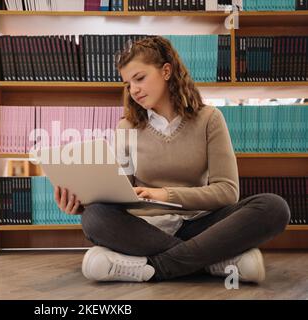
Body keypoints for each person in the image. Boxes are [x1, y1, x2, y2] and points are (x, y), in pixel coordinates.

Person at [53, 36, 290, 284]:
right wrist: (84, 204)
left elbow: (228, 191)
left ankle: (154, 266)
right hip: (146, 228)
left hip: (200, 222)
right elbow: (122, 193)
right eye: (127, 84)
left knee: (273, 207)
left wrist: (164, 194)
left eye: (140, 78)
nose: (133, 90)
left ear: (166, 71)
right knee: (94, 218)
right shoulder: (126, 128)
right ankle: (213, 260)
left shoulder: (210, 119)